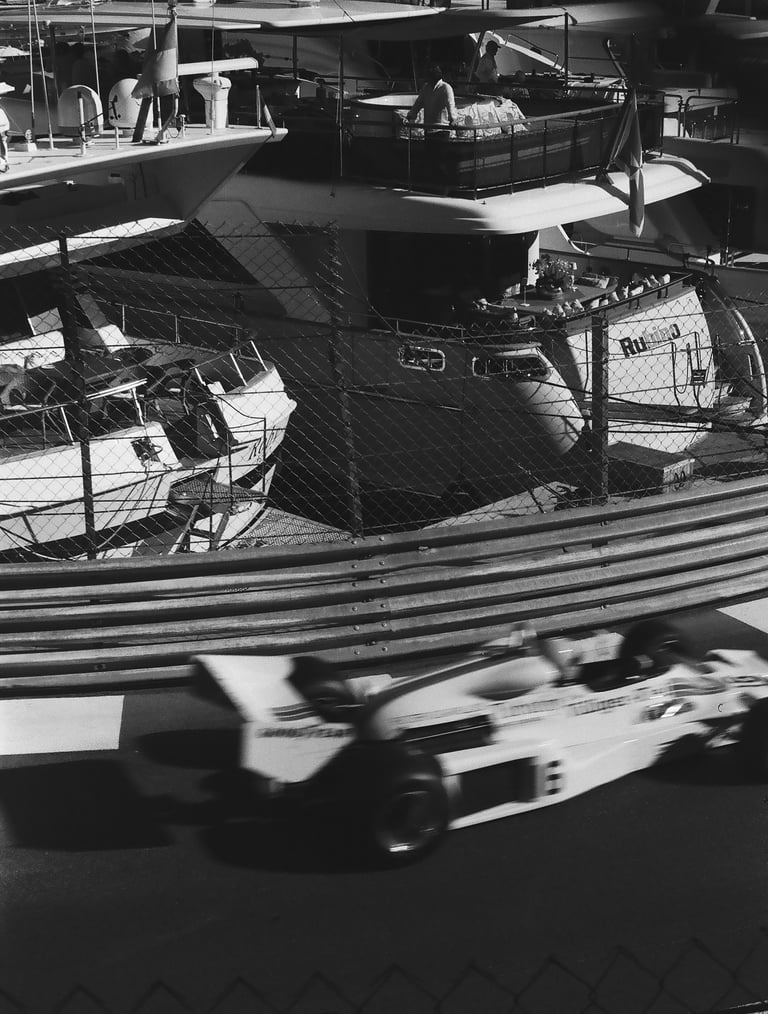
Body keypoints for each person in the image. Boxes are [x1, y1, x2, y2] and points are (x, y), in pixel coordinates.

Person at [406, 64, 459, 140]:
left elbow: (450, 105)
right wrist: (411, 115)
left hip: (442, 129)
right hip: (428, 129)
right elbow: (418, 103)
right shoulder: (426, 87)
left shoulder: (446, 87)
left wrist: (452, 119)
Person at [0, 81, 11, 174]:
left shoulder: (0, 110)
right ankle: (4, 163)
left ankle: (4, 163)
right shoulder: (0, 110)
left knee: (3, 146)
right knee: (3, 146)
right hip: (3, 130)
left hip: (2, 130)